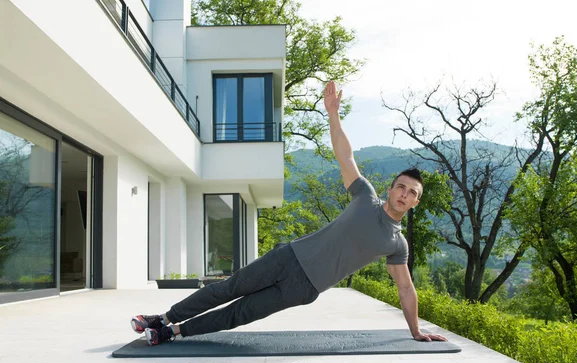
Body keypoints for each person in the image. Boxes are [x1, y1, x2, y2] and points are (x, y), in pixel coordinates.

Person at [131, 81, 448, 346]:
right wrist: (333, 115)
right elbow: (345, 154)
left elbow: (406, 288)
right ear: (391, 189)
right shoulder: (365, 195)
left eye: (412, 193)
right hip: (289, 257)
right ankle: (164, 317)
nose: (405, 194)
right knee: (226, 290)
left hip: (304, 288)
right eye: (401, 187)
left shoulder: (397, 244)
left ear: (415, 202)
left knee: (240, 312)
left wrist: (416, 331)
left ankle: (171, 332)